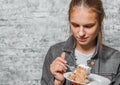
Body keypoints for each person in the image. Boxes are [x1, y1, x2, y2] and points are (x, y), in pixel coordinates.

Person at [41, 0, 120, 85]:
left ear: (100, 21)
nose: (81, 33)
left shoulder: (116, 59)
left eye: (88, 26)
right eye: (75, 25)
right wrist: (58, 82)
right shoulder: (54, 53)